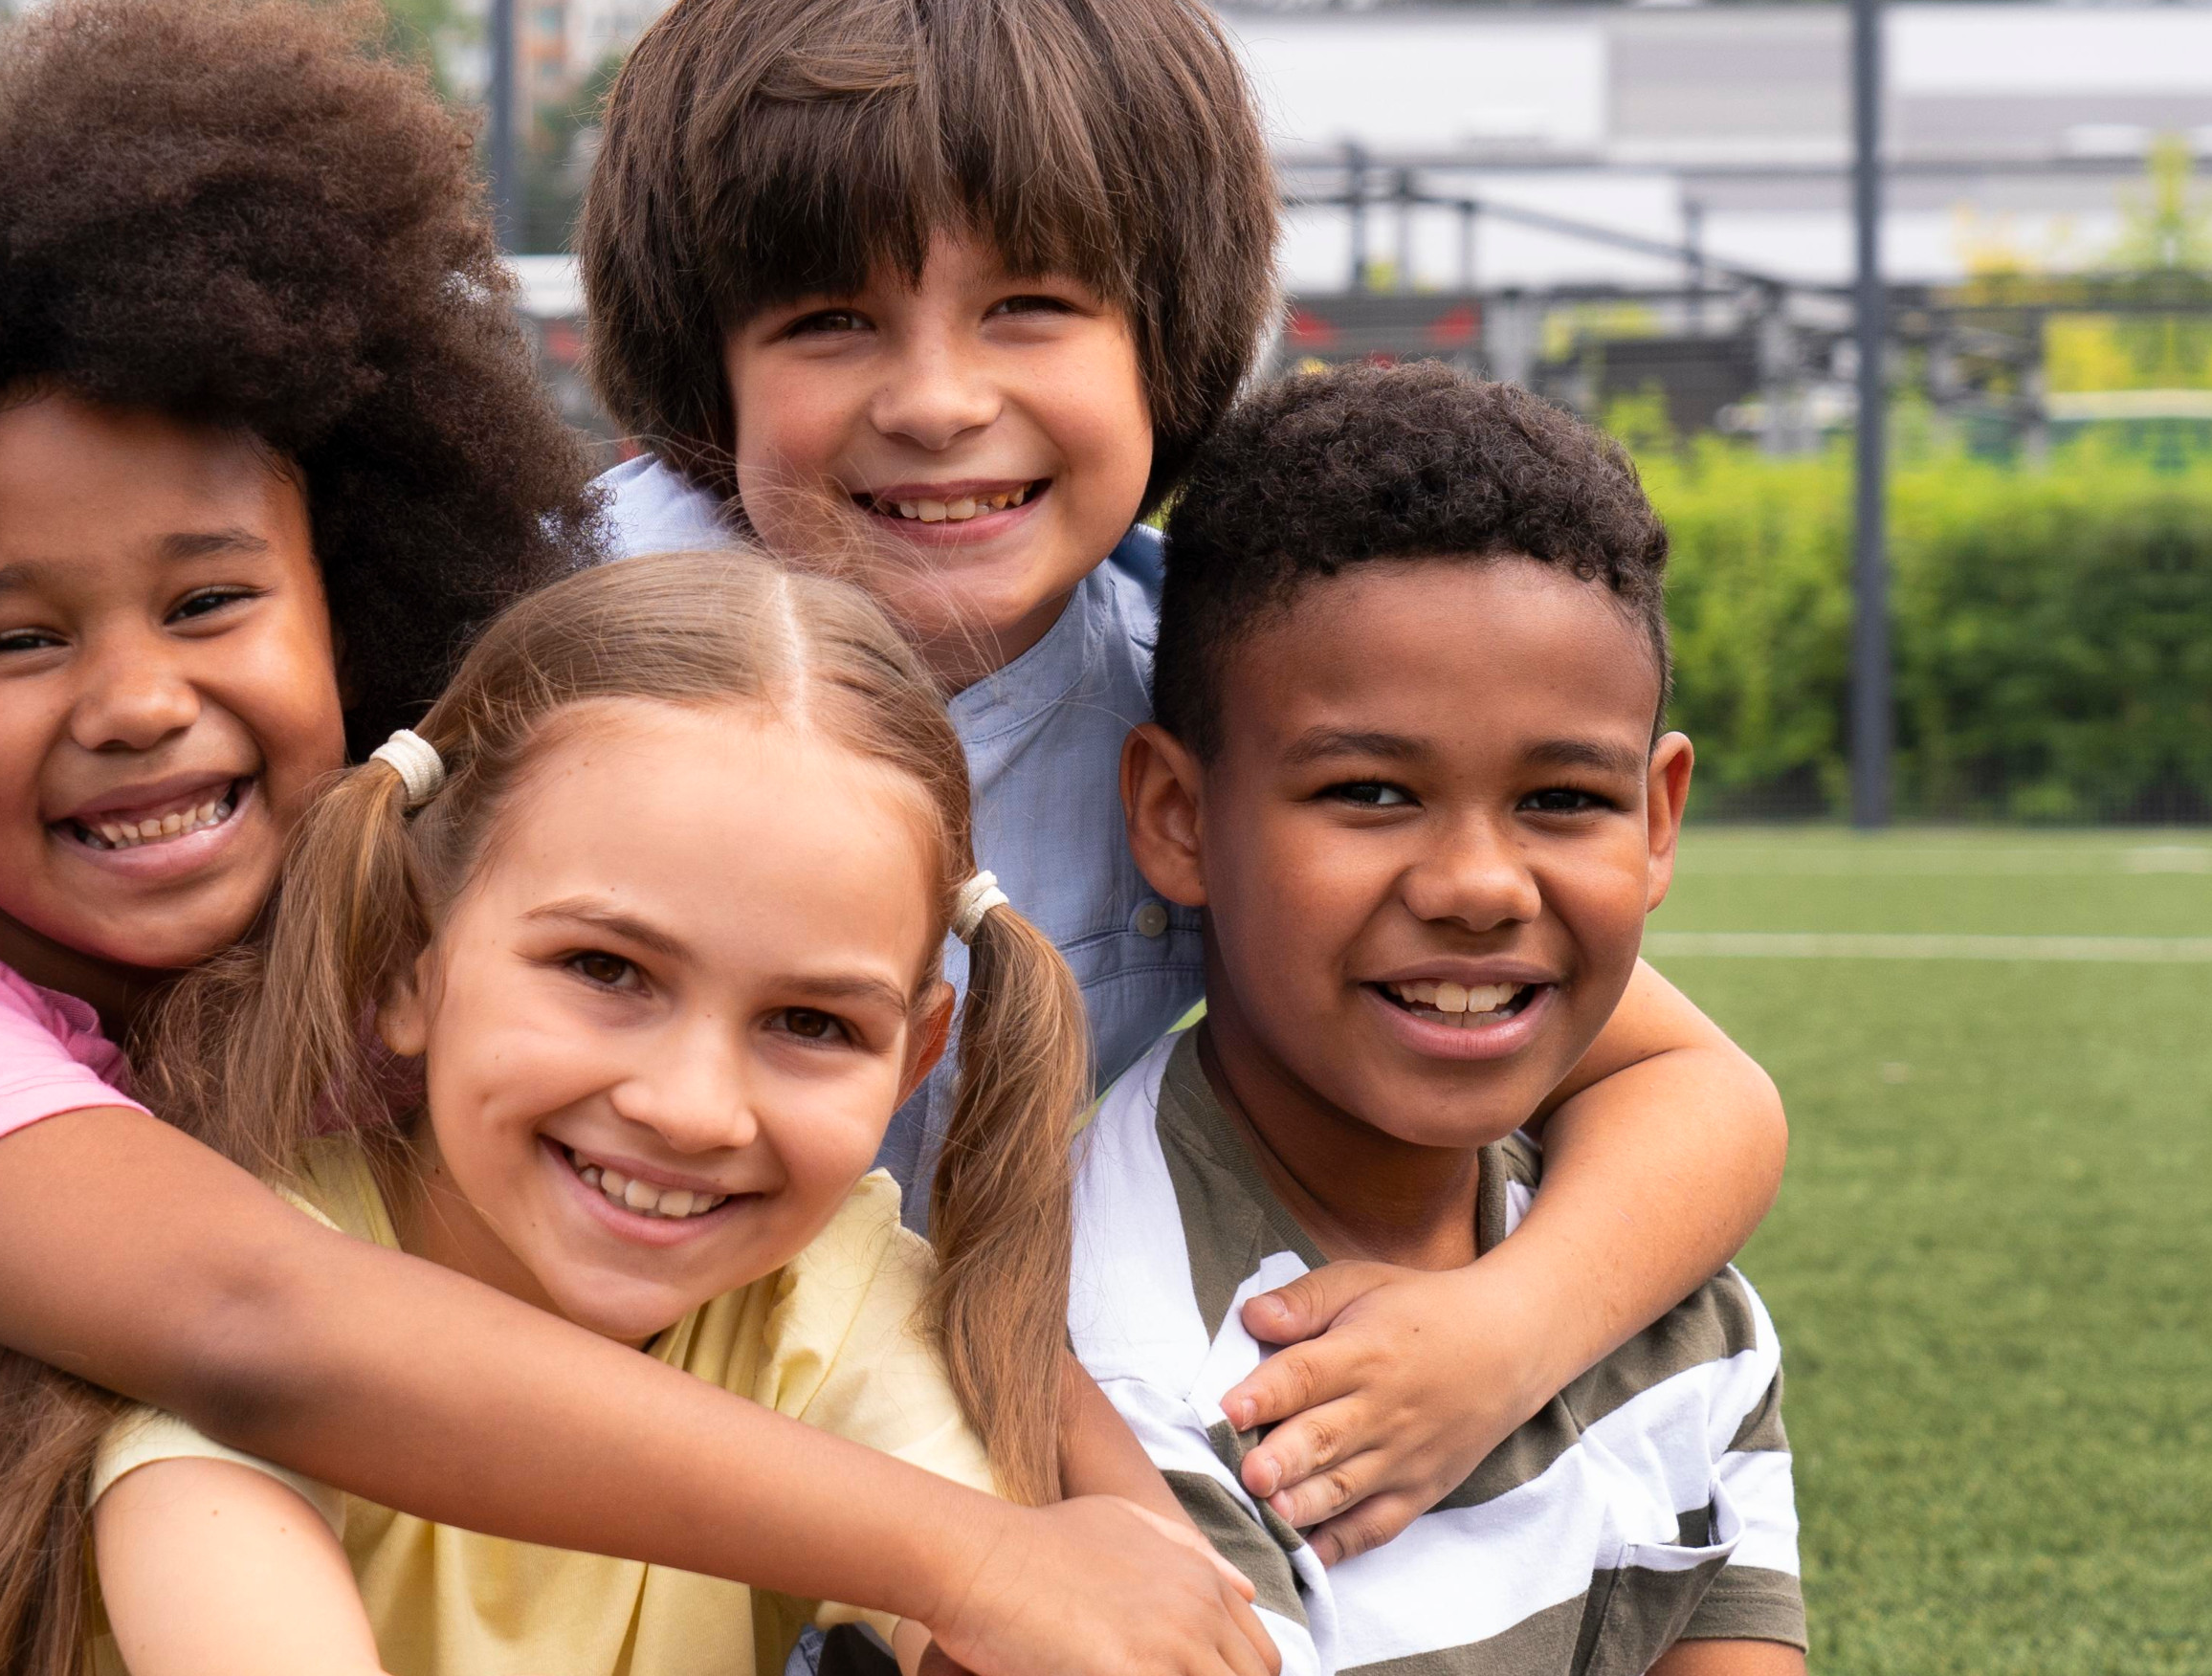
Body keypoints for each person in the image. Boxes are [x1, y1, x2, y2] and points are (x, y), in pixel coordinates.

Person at [0, 9, 1265, 1675]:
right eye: (12, 640)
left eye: (208, 605)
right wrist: (967, 1560)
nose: (129, 699)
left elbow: (871, 1273)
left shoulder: (403, 927)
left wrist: (1090, 1516)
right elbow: (254, 1331)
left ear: (357, 599)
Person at [575, 0, 1790, 1564]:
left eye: (1029, 304)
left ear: (1169, 339)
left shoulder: (1199, 703)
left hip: (958, 1442)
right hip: (546, 1434)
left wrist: (1499, 1336)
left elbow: (1697, 1092)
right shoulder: (540, 649)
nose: (937, 399)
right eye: (830, 320)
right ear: (705, 367)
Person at [0, 551, 1267, 1676]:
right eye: (606, 971)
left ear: (914, 1063)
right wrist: (978, 1564)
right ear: (405, 965)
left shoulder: (837, 1298)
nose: (689, 1106)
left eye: (809, 1025)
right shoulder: (244, 1289)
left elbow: (1025, 1629)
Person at [1076, 363, 1803, 1675]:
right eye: (1368, 793)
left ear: (1660, 818)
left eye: (1565, 799)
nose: (1478, 886)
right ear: (1178, 819)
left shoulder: (1667, 1294)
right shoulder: (1133, 1373)